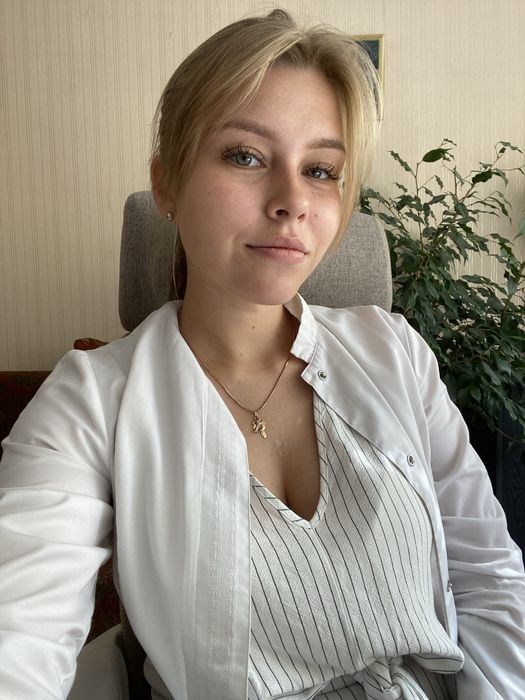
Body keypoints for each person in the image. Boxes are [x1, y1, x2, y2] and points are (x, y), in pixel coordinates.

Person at [0, 9, 524, 700]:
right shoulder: (92, 402)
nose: (292, 202)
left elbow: (490, 579)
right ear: (166, 183)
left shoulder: (395, 353)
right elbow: (19, 634)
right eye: (245, 156)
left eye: (321, 169)